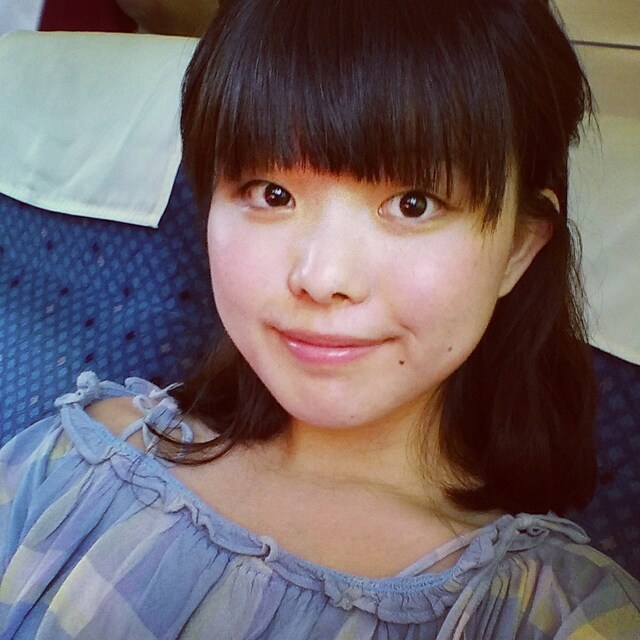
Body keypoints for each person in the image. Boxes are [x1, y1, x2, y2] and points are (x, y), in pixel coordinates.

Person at [1, 0, 639, 637]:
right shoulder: (73, 463)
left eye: (413, 204)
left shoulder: (561, 615)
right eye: (271, 194)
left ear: (518, 248)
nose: (323, 276)